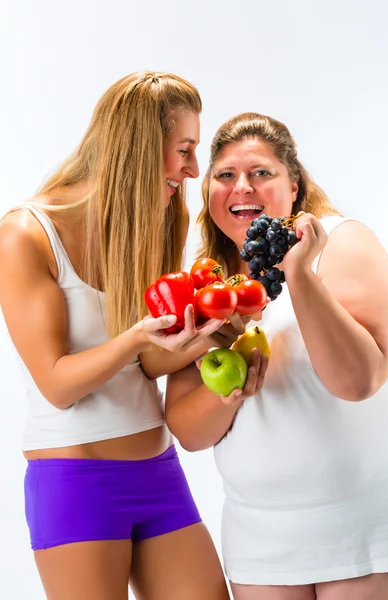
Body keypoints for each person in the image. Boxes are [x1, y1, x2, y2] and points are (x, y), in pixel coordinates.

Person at [0, 71, 246, 600]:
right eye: (184, 149)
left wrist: (208, 334)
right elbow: (59, 385)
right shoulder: (26, 234)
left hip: (158, 473)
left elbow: (148, 366)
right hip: (76, 482)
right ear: (140, 144)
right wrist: (136, 339)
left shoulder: (149, 224)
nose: (193, 168)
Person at [166, 112, 388, 600]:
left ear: (294, 184)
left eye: (262, 173)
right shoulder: (209, 286)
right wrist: (230, 394)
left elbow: (358, 380)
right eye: (225, 175)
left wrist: (300, 272)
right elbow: (188, 431)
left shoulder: (342, 242)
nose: (242, 188)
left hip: (360, 528)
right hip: (260, 540)